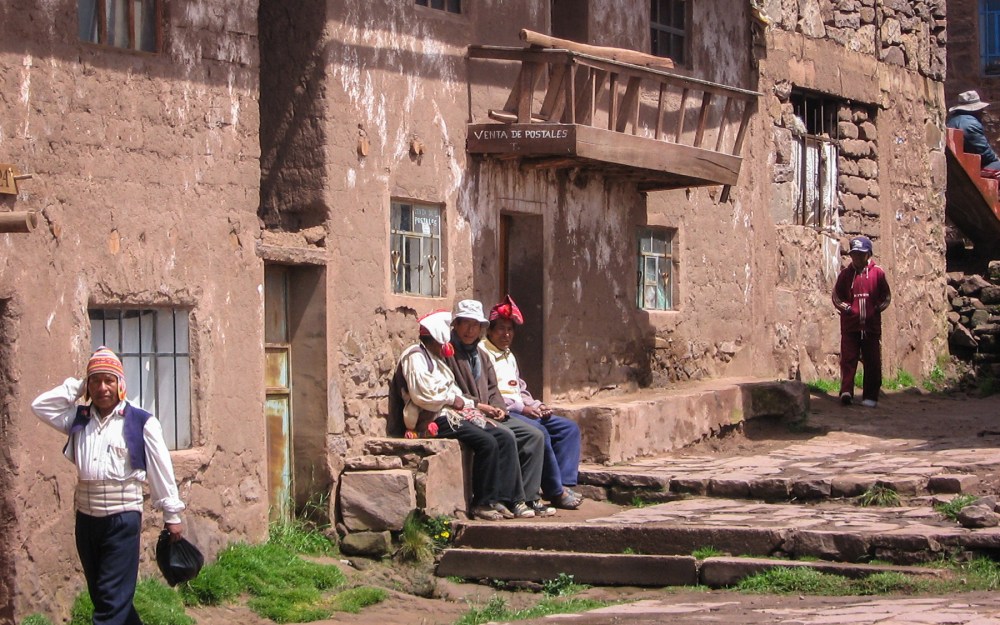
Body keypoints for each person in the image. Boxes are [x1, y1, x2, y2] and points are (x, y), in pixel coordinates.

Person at [31, 347, 186, 625]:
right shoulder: (79, 419)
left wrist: (171, 515)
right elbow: (40, 406)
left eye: (109, 380)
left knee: (110, 603)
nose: (102, 388)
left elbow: (161, 469)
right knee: (105, 597)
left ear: (120, 385)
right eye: (95, 381)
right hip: (87, 521)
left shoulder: (141, 422)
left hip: (122, 519)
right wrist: (78, 385)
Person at [388, 310, 521, 521]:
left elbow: (454, 392)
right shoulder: (416, 357)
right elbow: (424, 394)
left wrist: (467, 403)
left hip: (449, 413)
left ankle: (499, 497)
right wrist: (452, 399)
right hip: (433, 419)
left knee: (502, 436)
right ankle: (481, 503)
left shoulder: (436, 359)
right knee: (487, 442)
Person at [444, 299, 551, 518]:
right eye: (465, 324)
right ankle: (512, 498)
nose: (470, 330)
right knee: (506, 436)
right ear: (456, 325)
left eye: (475, 325)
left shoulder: (481, 356)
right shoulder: (449, 354)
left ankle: (530, 496)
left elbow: (493, 388)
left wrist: (499, 407)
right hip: (468, 413)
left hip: (490, 412)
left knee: (535, 435)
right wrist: (481, 407)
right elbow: (452, 391)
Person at [483, 295, 584, 510]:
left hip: (524, 409)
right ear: (489, 331)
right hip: (504, 412)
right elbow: (493, 394)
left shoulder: (508, 355)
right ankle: (555, 490)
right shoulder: (484, 354)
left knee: (568, 429)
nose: (506, 334)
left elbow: (519, 387)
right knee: (539, 432)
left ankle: (563, 484)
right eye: (501, 329)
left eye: (510, 330)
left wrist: (536, 405)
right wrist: (524, 408)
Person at [831, 236, 891, 408]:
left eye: (860, 254)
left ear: (868, 254)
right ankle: (846, 391)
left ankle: (870, 396)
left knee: (872, 361)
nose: (857, 258)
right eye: (854, 254)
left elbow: (886, 296)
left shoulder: (877, 273)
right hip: (851, 327)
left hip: (871, 327)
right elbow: (836, 297)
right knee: (848, 359)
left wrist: (876, 309)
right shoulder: (845, 275)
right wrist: (848, 309)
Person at [946, 90, 1000, 172]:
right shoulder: (971, 124)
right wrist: (996, 159)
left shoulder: (952, 120)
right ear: (975, 110)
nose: (983, 111)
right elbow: (985, 154)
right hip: (970, 166)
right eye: (980, 109)